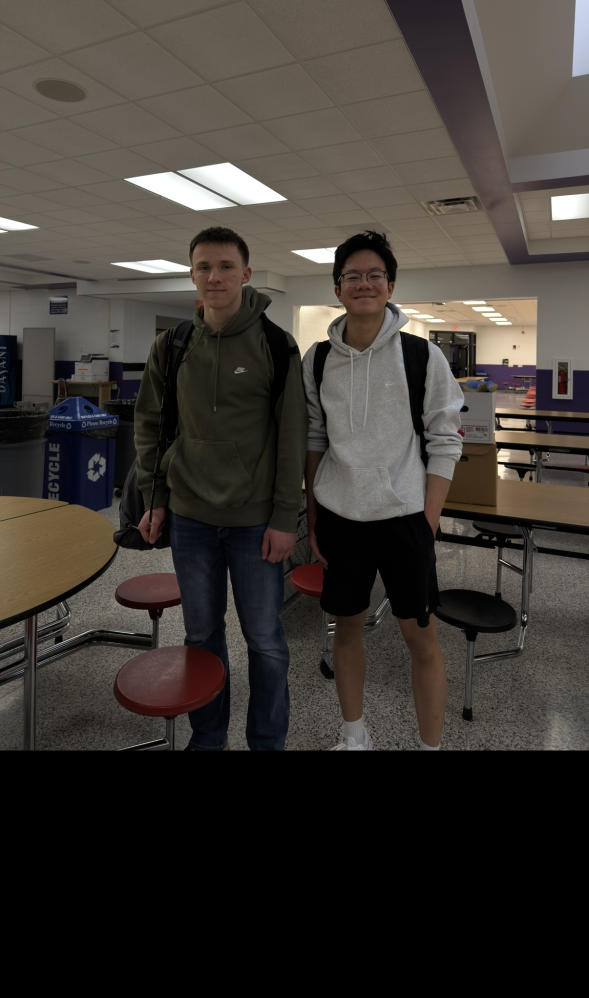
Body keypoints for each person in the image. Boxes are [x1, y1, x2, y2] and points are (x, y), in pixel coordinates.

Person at [135, 226, 307, 751]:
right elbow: (152, 425)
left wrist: (285, 517)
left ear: (246, 274)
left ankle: (267, 742)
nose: (215, 276)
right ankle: (208, 738)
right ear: (191, 274)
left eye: (226, 266)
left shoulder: (276, 344)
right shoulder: (172, 345)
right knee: (200, 636)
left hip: (255, 523)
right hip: (190, 517)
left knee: (265, 640)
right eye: (204, 266)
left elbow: (291, 437)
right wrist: (154, 499)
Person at [303, 230, 463, 751]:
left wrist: (428, 520)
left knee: (421, 638)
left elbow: (445, 440)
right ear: (337, 288)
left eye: (375, 275)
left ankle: (430, 746)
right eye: (352, 275)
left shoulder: (422, 356)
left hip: (405, 519)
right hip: (341, 518)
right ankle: (355, 736)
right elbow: (314, 438)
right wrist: (312, 514)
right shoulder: (318, 359)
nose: (364, 283)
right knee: (345, 630)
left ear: (390, 286)